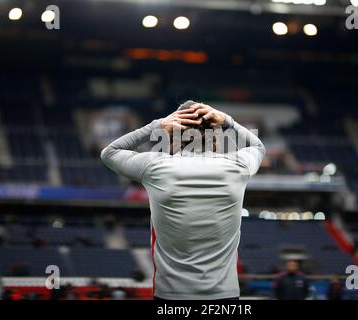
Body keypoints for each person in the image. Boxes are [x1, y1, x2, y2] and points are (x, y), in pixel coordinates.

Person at [101, 101, 265, 300]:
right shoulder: (237, 166)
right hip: (224, 295)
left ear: (172, 134)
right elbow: (258, 146)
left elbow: (109, 153)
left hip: (170, 295)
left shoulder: (155, 166)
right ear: (217, 137)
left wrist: (156, 126)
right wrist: (227, 120)